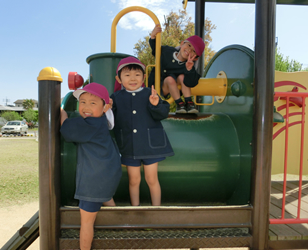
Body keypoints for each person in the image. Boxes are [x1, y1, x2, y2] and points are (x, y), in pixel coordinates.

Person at [60, 82, 122, 250]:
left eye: (92, 103)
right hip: (107, 174)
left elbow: (67, 129)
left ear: (105, 107)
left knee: (86, 222)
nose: (86, 107)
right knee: (106, 197)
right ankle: (119, 227)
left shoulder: (91, 124)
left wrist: (61, 113)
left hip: (95, 180)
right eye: (82, 102)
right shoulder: (101, 121)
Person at [111, 56, 174, 206]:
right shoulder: (115, 97)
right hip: (129, 146)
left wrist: (156, 104)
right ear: (119, 79)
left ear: (144, 77)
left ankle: (156, 210)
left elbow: (163, 113)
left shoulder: (150, 94)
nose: (133, 79)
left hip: (150, 146)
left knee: (152, 179)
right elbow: (109, 119)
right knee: (134, 180)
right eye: (127, 75)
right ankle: (135, 209)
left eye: (137, 75)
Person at [148, 24, 205, 114]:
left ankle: (189, 103)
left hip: (175, 86)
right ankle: (179, 104)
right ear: (182, 44)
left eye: (194, 51)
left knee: (183, 77)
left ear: (195, 58)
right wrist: (153, 36)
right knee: (170, 79)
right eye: (189, 45)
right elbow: (156, 50)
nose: (189, 50)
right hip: (160, 85)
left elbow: (192, 82)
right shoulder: (167, 51)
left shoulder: (189, 66)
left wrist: (189, 69)